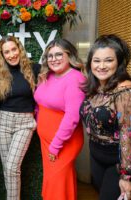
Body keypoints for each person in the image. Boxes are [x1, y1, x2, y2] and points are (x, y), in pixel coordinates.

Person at [80, 34, 131, 200]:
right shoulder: (95, 88)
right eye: (96, 61)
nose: (101, 66)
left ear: (118, 63)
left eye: (108, 60)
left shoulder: (126, 93)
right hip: (97, 156)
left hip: (119, 163)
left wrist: (127, 176)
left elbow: (128, 134)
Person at [34, 38, 85, 200]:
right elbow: (40, 101)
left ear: (69, 56)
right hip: (46, 140)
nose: (53, 59)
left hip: (63, 142)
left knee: (58, 179)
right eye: (50, 56)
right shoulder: (47, 76)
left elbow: (72, 117)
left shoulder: (75, 78)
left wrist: (55, 146)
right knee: (55, 180)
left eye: (58, 55)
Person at [0, 35, 40, 200]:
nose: (11, 54)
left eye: (14, 49)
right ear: (2, 55)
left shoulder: (35, 69)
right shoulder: (0, 74)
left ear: (20, 49)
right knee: (8, 168)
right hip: (3, 122)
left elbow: (59, 71)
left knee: (13, 167)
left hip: (25, 123)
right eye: (6, 52)